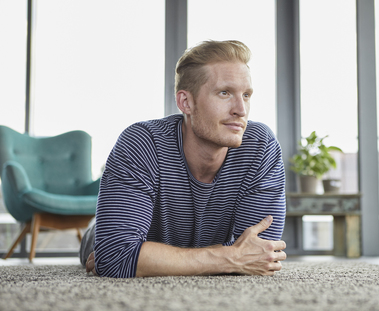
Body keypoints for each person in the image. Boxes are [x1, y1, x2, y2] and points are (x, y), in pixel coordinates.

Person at [80, 40, 287, 278]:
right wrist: (230, 257)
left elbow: (257, 257)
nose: (241, 109)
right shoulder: (141, 142)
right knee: (104, 243)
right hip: (116, 227)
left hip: (155, 244)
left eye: (247, 95)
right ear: (185, 102)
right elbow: (116, 260)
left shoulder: (261, 146)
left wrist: (144, 258)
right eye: (224, 93)